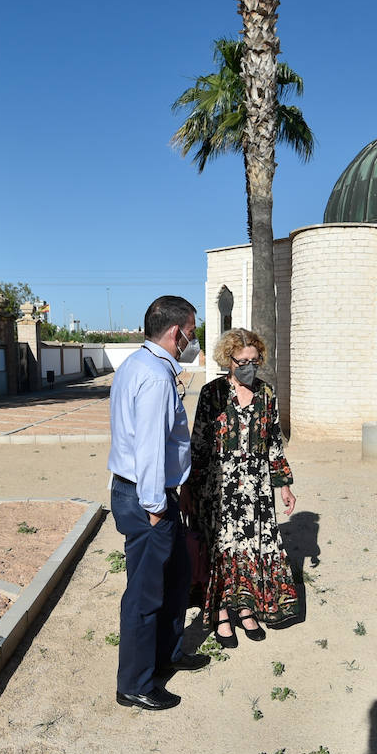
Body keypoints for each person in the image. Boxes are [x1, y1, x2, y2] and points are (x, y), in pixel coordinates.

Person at [107, 295, 211, 711]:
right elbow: (149, 447)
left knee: (175, 578)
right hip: (147, 497)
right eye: (191, 329)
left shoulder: (142, 365)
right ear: (176, 332)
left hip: (156, 492)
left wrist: (175, 488)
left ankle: (166, 654)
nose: (193, 337)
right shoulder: (152, 376)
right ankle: (134, 682)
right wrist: (155, 506)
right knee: (146, 593)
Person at [185, 328, 299, 648]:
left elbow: (274, 442)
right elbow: (199, 443)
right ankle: (222, 611)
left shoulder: (267, 394)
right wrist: (190, 489)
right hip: (218, 486)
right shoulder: (211, 393)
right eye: (242, 361)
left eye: (255, 360)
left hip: (256, 487)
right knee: (222, 549)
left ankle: (246, 607)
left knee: (251, 547)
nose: (249, 366)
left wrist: (284, 485)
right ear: (228, 360)